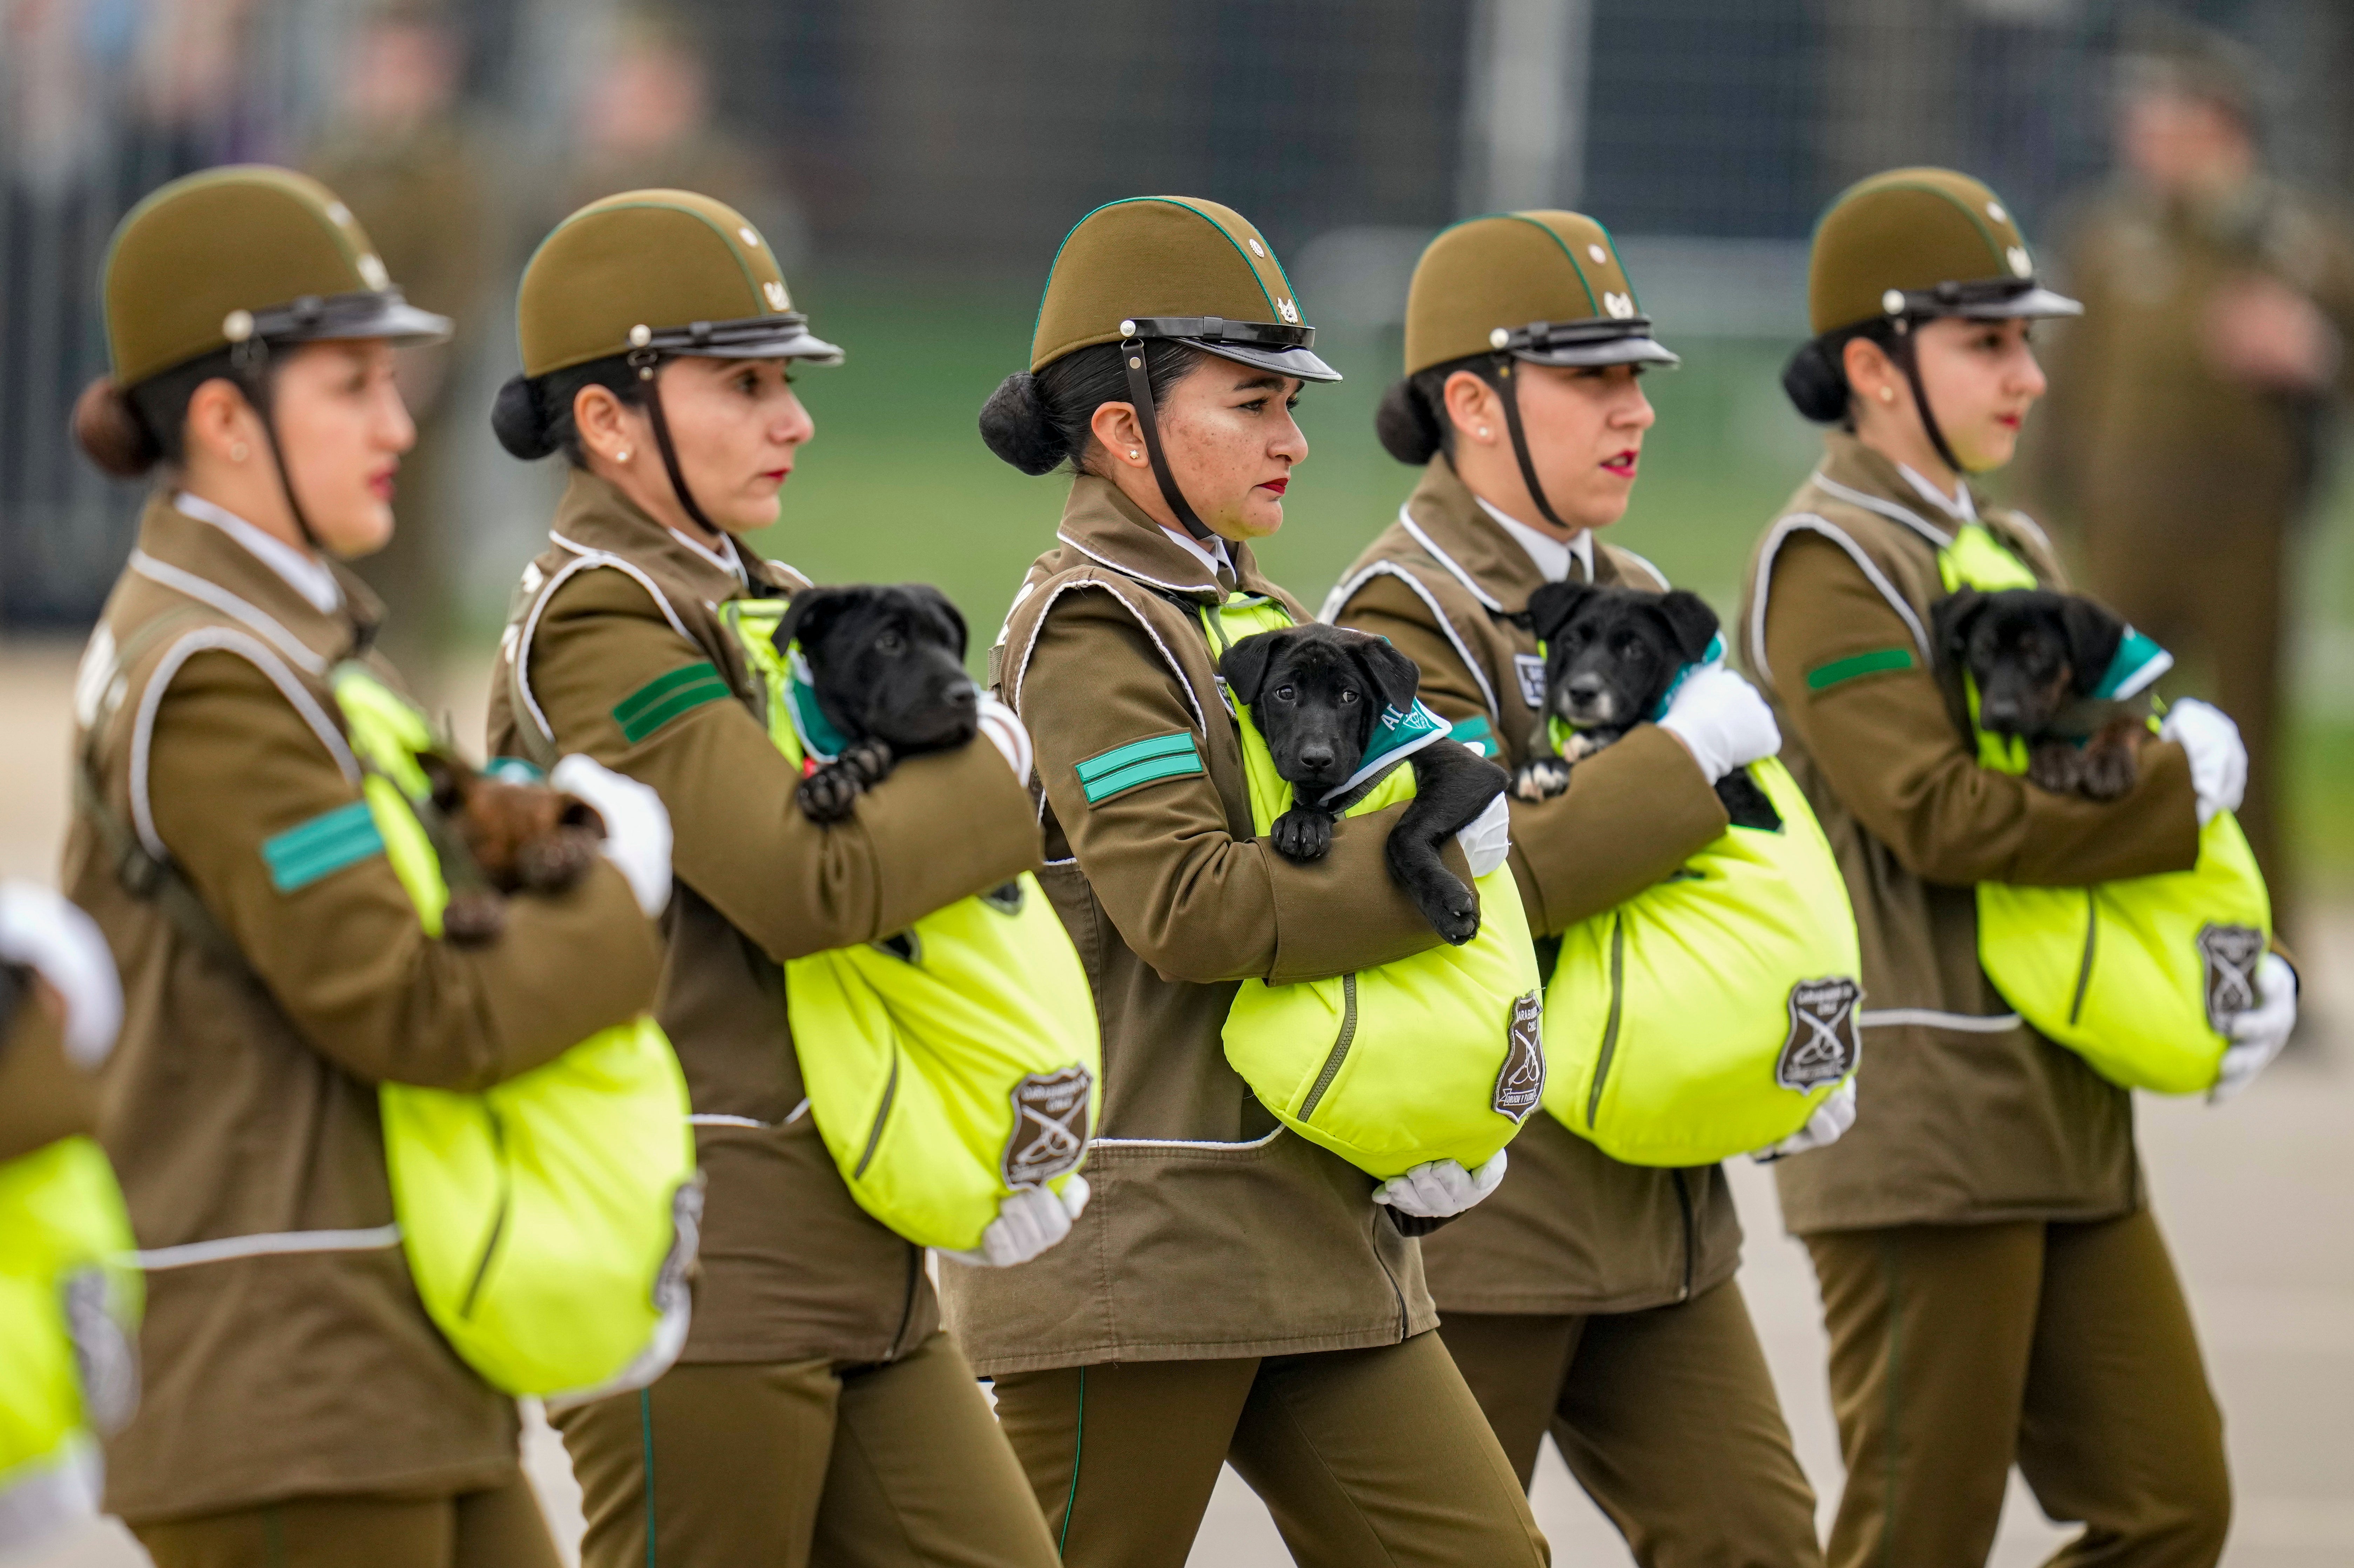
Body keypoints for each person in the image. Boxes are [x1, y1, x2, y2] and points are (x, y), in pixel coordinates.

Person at [61, 165, 669, 1567]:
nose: (402, 423)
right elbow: (409, 1000)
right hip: (280, 1363)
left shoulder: (286, 645)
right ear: (223, 416)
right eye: (352, 386)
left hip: (374, 1344)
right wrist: (623, 903)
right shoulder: (212, 671)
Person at [952, 194, 1547, 1568]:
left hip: (1316, 1226)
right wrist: (1434, 859)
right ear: (1122, 426)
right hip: (1144, 1247)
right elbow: (1192, 906)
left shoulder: (1254, 614)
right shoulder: (1095, 627)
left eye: (1292, 401)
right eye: (1253, 401)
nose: (1290, 436)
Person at [485, 189, 1063, 1568]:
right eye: (742, 385)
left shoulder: (744, 593)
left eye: (785, 383)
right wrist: (998, 763)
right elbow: (806, 880)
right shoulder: (601, 620)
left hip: (853, 1237)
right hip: (704, 1250)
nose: (792, 420)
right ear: (610, 421)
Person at [1743, 165, 2295, 1567]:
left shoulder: (2006, 541)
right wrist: (2175, 788)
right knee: (1916, 1534)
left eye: (2026, 340)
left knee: (2169, 1504)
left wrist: (2225, 970)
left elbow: (2098, 795)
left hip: (2059, 1096)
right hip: (1923, 1119)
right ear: (1872, 367)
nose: (2030, 378)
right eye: (1986, 342)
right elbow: (1941, 813)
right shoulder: (1828, 558)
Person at [1324, 210, 1826, 1566]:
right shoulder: (1396, 615)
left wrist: (1787, 1041)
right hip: (1494, 1212)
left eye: (1637, 380)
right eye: (1593, 380)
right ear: (1475, 403)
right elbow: (1496, 872)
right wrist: (1681, 756)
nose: (1635, 413)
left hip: (1660, 1208)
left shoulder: (1637, 587)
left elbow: (1731, 867)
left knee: (1764, 1543)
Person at [2029, 21, 2354, 942]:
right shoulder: (2105, 235)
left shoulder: (2299, 243)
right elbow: (2067, 383)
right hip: (2122, 532)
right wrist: (2032, 508)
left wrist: (2313, 357)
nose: (2143, 141)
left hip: (2244, 535)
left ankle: (2262, 955)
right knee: (2098, 731)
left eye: (2163, 121)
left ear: (2220, 126)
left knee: (2250, 743)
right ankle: (2093, 941)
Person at [305, 0, 492, 688]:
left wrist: (419, 358)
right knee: (332, 536)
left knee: (413, 544)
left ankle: (412, 685)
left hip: (415, 388)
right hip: (332, 379)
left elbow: (462, 270)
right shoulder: (331, 158)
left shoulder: (451, 168)